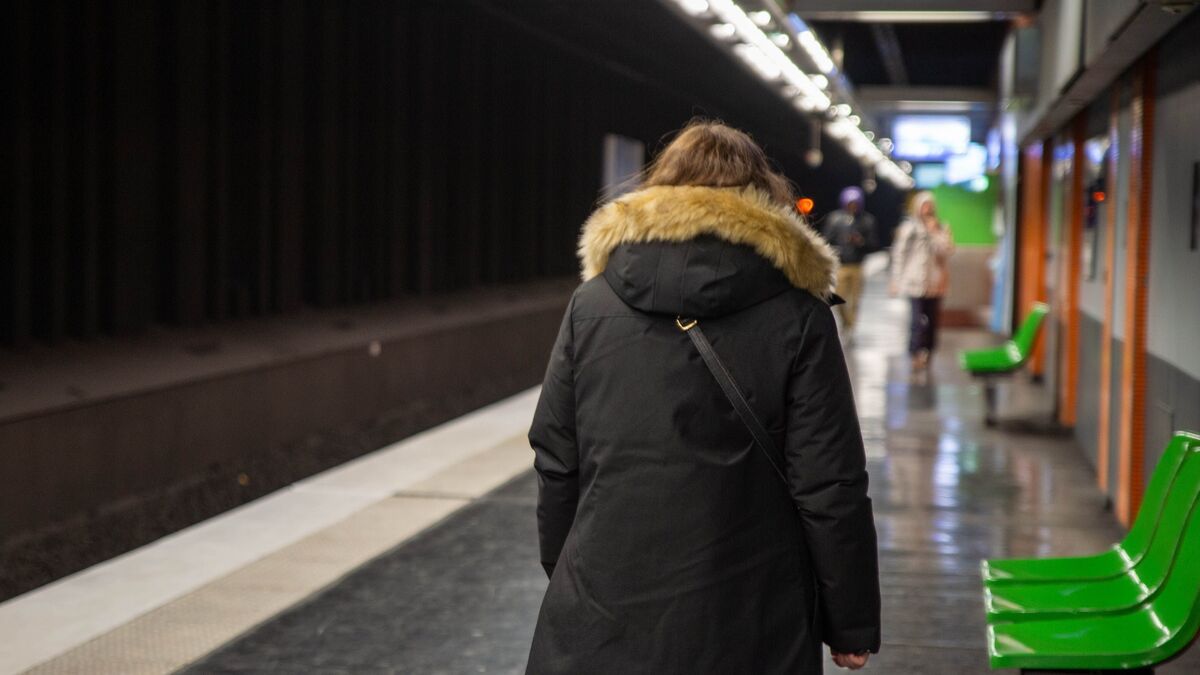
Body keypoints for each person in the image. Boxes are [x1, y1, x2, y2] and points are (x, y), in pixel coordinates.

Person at [527, 120, 881, 673]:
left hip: (605, 599)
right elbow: (828, 479)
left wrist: (569, 572)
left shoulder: (592, 304)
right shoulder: (799, 314)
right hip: (753, 610)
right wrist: (850, 616)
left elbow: (556, 456)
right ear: (762, 200)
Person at [890, 191, 954, 371]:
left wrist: (935, 233)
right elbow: (899, 254)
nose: (927, 209)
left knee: (932, 320)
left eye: (930, 205)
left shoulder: (941, 227)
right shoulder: (909, 228)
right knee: (916, 320)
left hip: (936, 283)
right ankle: (914, 353)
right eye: (923, 205)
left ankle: (929, 352)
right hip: (915, 282)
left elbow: (947, 251)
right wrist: (896, 280)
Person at [821, 186, 879, 334]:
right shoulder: (835, 219)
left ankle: (851, 327)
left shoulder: (867, 220)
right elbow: (825, 240)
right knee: (839, 298)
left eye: (855, 203)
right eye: (850, 203)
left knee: (855, 300)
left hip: (857, 265)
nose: (853, 206)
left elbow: (873, 244)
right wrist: (838, 246)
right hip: (841, 266)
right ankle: (846, 322)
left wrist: (860, 242)